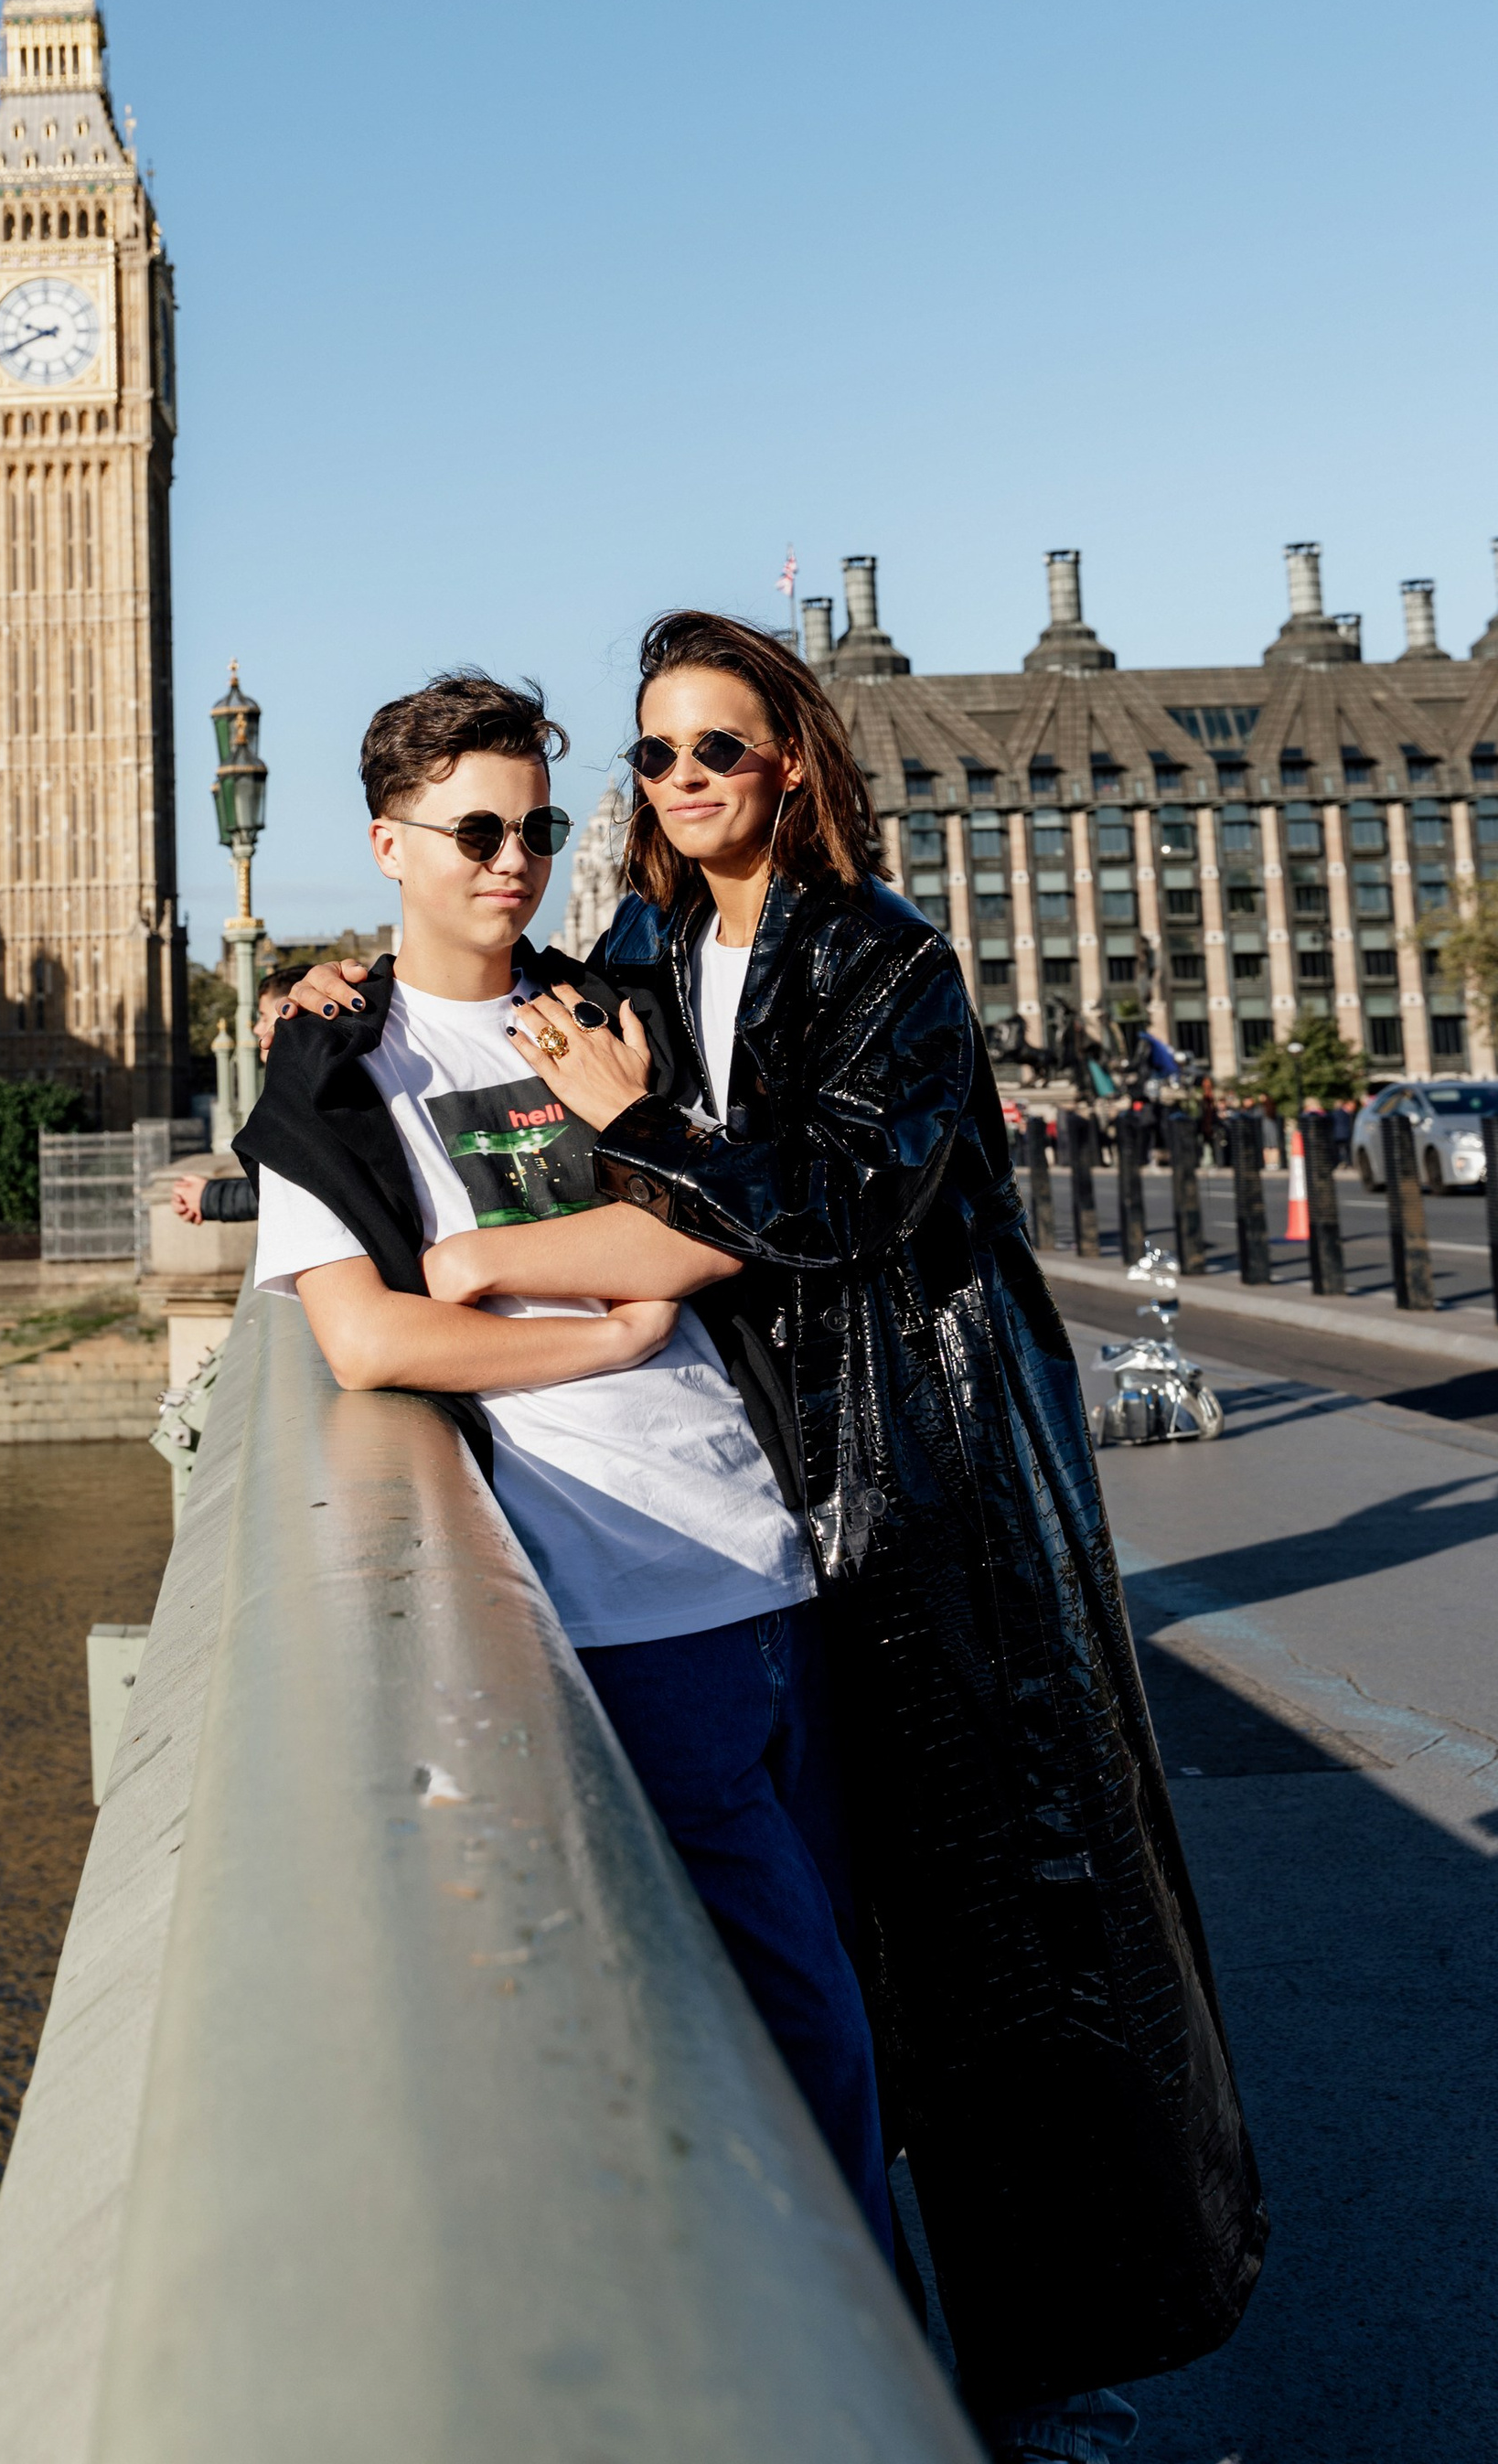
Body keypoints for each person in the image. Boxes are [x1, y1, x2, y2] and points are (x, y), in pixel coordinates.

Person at [279, 614, 1265, 2462]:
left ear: (788, 760)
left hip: (924, 1484)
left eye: (711, 749)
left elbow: (829, 1197)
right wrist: (317, 1013)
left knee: (1006, 1938)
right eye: (651, 754)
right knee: (852, 1961)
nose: (675, 782)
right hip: (777, 1495)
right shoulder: (641, 952)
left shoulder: (884, 959)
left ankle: (1051, 2365)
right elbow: (457, 1031)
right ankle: (878, 2356)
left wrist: (600, 1157)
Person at [238, 670, 897, 2262]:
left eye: (534, 830)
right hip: (627, 1610)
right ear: (388, 844)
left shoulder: (614, 1006)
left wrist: (499, 1264)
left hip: (785, 1563)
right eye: (475, 832)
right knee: (799, 2032)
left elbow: (736, 1223)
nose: (512, 862)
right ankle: (863, 2355)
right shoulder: (335, 1068)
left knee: (861, 1992)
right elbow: (367, 1341)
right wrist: (604, 1339)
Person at [169, 966, 308, 1223]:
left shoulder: (306, 1091)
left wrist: (213, 1197)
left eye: (264, 1017)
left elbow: (297, 1190)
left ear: (290, 1012)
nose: (256, 1029)